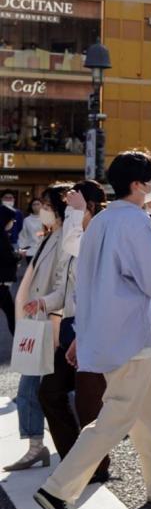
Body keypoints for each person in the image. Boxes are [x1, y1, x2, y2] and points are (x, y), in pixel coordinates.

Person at [32, 150, 151, 509]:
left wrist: (83, 332)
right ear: (138, 184)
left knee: (148, 410)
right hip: (127, 334)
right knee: (116, 416)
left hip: (110, 333)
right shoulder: (134, 221)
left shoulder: (100, 222)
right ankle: (57, 490)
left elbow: (85, 282)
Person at [34, 180, 111, 483]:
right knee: (50, 393)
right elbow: (66, 289)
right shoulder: (71, 237)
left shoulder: (100, 239)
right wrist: (43, 301)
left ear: (89, 206)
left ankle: (96, 467)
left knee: (89, 403)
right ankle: (75, 461)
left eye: (73, 206)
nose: (67, 212)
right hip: (68, 329)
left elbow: (102, 293)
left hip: (91, 332)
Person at [4, 183, 71, 471]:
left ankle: (38, 447)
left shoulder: (64, 238)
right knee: (46, 389)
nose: (39, 207)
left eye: (44, 203)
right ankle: (40, 445)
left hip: (49, 322)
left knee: (32, 390)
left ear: (58, 207)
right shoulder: (50, 235)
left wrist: (49, 311)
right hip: (38, 320)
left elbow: (62, 284)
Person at [0, 201, 16, 334]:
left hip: (3, 282)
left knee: (11, 312)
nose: (13, 222)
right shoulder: (1, 236)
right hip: (1, 282)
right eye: (11, 220)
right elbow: (6, 257)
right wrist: (17, 256)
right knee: (11, 313)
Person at [17, 196, 43, 262]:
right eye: (34, 204)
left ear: (42, 205)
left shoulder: (46, 218)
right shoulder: (27, 220)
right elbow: (23, 236)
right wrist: (22, 249)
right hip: (31, 250)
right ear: (31, 206)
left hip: (44, 249)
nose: (36, 206)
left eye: (38, 204)